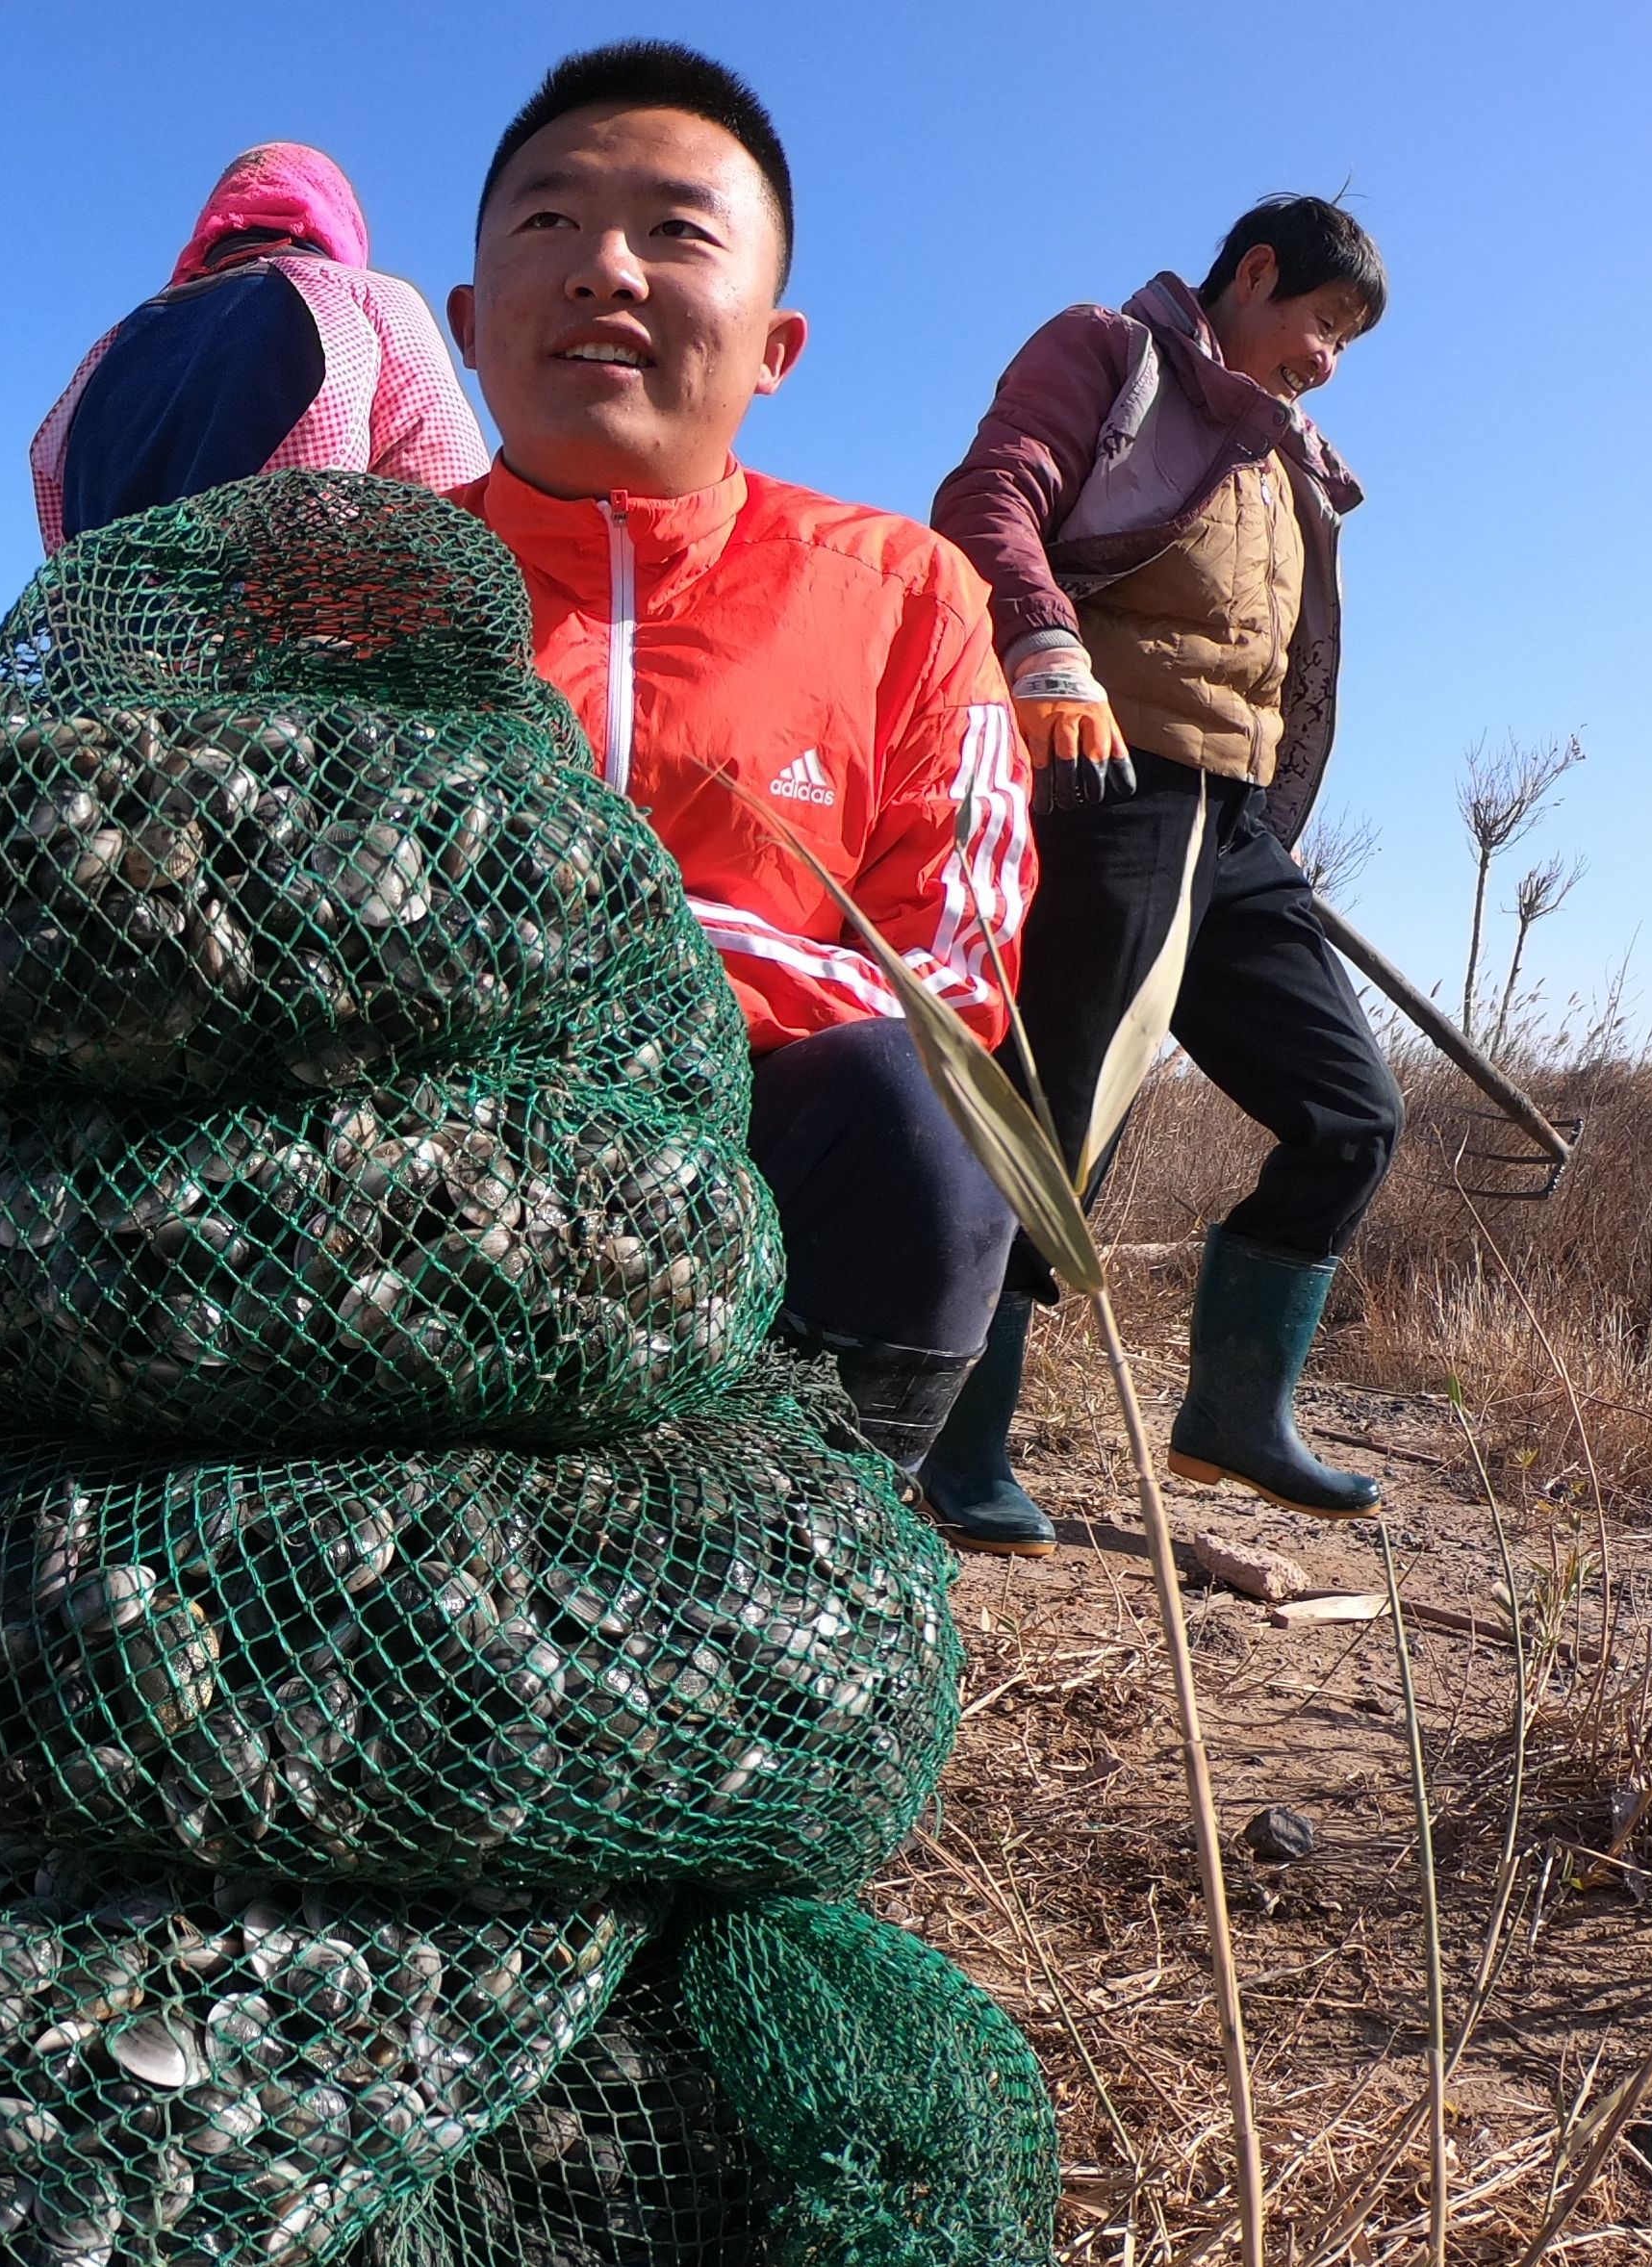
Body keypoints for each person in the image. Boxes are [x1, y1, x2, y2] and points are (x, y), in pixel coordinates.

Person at [442, 41, 1043, 1546]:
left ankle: (787, 1583)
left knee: (930, 1127)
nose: (604, 271)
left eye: (675, 231)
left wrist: (606, 970)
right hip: (411, 1169)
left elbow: (947, 989)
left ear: (774, 347)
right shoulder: (348, 593)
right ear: (463, 324)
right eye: (549, 224)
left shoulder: (908, 595)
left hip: (759, 1187)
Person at [926, 196, 1400, 1530]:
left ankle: (1234, 1417)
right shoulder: (1108, 353)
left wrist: (1263, 814)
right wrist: (1040, 642)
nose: (1329, 358)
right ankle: (952, 1449)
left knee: (1349, 1111)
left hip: (1236, 828)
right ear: (1252, 275)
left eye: (1348, 342)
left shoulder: (1288, 459)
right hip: (1111, 788)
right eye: (1324, 322)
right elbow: (988, 496)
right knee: (1056, 1124)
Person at [30, 142, 488, 552]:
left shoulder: (109, 348)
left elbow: (57, 518)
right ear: (336, 221)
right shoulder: (369, 298)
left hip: (118, 639)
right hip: (297, 630)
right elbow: (444, 499)